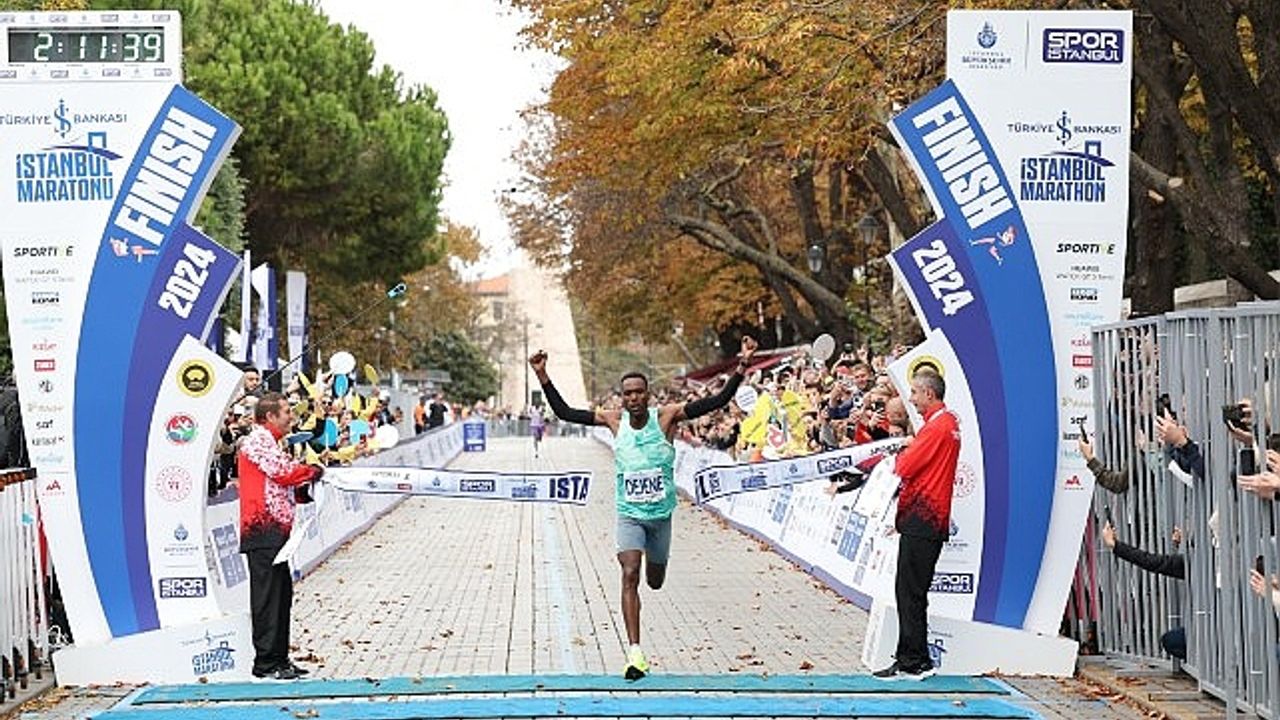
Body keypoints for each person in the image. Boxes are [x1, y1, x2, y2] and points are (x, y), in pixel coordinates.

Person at [529, 335, 759, 680]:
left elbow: (717, 401)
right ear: (622, 398)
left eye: (639, 392)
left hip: (660, 517)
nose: (634, 398)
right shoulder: (613, 420)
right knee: (629, 573)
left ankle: (656, 561)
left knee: (654, 580)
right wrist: (542, 374)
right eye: (628, 394)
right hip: (629, 515)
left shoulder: (666, 417)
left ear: (648, 395)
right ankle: (635, 654)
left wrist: (743, 364)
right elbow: (565, 413)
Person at [874, 369, 960, 681]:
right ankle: (915, 658)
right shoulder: (946, 423)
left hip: (923, 518)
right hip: (927, 518)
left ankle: (913, 661)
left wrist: (904, 449)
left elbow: (904, 466)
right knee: (914, 592)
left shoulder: (937, 427)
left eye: (914, 392)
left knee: (909, 592)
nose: (910, 399)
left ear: (928, 393)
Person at [238, 392, 324, 680]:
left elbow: (281, 482)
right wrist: (312, 472)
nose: (291, 416)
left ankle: (279, 658)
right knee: (267, 598)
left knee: (281, 595)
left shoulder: (271, 443)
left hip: (277, 531)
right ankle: (265, 662)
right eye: (287, 411)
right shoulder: (256, 442)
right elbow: (283, 472)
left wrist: (303, 490)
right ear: (270, 416)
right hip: (262, 530)